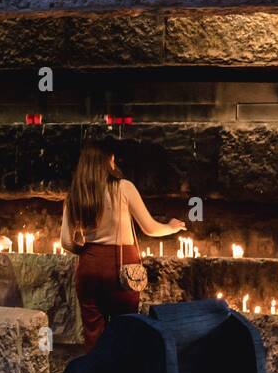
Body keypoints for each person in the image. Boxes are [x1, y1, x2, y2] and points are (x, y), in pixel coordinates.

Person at [61, 140, 185, 350]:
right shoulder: (123, 188)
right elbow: (150, 229)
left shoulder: (74, 194)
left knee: (93, 335)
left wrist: (90, 252)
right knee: (124, 331)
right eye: (112, 158)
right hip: (121, 268)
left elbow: (66, 241)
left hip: (88, 268)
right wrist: (171, 227)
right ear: (107, 161)